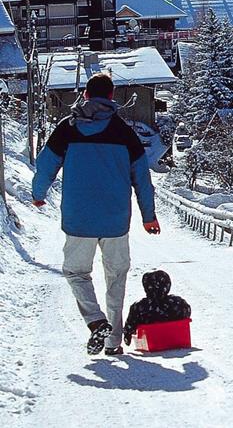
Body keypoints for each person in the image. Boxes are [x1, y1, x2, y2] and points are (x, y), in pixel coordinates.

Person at [32, 72, 160, 356]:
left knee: (76, 272)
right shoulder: (125, 132)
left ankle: (95, 321)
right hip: (116, 220)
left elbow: (45, 164)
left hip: (79, 219)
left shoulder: (68, 128)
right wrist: (148, 216)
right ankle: (113, 342)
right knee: (116, 278)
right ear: (112, 96)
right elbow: (142, 177)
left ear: (86, 96)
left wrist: (38, 194)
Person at [123, 270, 192, 346]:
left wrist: (128, 335)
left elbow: (130, 324)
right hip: (176, 339)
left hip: (151, 342)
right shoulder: (177, 302)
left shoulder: (139, 306)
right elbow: (187, 314)